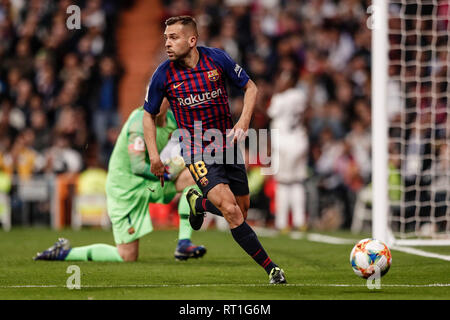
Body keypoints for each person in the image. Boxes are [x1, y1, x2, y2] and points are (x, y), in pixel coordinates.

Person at [142, 16, 286, 284]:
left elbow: (251, 88)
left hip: (228, 145)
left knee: (241, 211)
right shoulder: (163, 74)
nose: (167, 44)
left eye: (173, 37)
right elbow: (148, 115)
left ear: (192, 40)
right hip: (197, 151)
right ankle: (272, 269)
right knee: (231, 211)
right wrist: (153, 155)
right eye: (166, 38)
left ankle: (198, 203)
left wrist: (243, 122)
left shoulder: (217, 59)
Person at [34, 103, 207, 262]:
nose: (155, 100)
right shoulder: (139, 122)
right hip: (125, 188)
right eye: (152, 96)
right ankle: (64, 253)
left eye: (160, 96)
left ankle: (183, 243)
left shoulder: (170, 120)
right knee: (127, 255)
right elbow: (138, 166)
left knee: (197, 175)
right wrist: (169, 172)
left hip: (149, 183)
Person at [267, 70, 309, 233]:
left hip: (284, 142)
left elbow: (270, 113)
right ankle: (300, 221)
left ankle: (282, 222)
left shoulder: (279, 98)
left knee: (283, 183)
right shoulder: (300, 95)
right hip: (299, 139)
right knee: (297, 182)